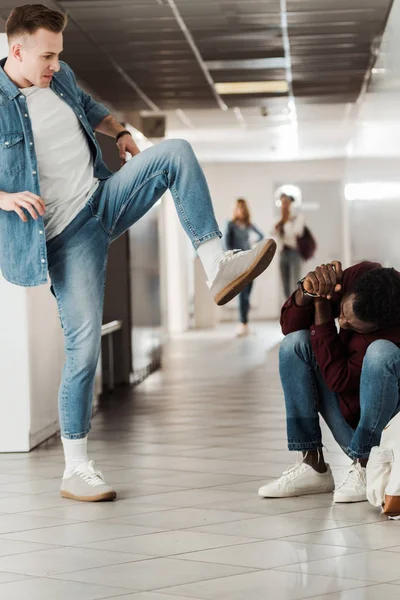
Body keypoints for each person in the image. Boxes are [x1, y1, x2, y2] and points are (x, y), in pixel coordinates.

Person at [0, 4, 277, 502]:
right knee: (83, 351)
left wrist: (123, 133)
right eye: (47, 56)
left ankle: (216, 264)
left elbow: (88, 107)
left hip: (103, 198)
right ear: (16, 50)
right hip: (66, 237)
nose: (56, 66)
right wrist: (2, 198)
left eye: (60, 55)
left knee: (175, 152)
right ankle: (76, 468)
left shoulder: (60, 77)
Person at [258, 260, 400, 503]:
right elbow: (288, 326)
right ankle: (313, 466)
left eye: (352, 325)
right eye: (343, 313)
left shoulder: (392, 332)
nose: (342, 322)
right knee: (295, 344)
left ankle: (366, 464)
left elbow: (338, 379)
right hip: (347, 421)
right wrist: (309, 291)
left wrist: (322, 308)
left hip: (384, 442)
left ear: (376, 327)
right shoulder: (359, 276)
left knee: (380, 353)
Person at [224, 198, 264, 337]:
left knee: (248, 294)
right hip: (237, 262)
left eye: (243, 207)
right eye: (238, 207)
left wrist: (253, 243)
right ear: (235, 209)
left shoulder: (248, 224)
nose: (241, 210)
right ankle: (242, 324)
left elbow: (261, 235)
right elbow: (226, 244)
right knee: (242, 295)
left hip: (249, 261)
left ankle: (245, 324)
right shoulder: (230, 225)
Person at [274, 193, 305, 299]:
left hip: (294, 252)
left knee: (296, 283)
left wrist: (286, 222)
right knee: (285, 285)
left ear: (291, 204)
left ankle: (298, 308)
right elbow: (272, 232)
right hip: (282, 253)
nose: (284, 205)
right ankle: (288, 310)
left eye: (286, 202)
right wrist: (281, 222)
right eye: (282, 203)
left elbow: (297, 233)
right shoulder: (279, 218)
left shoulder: (297, 217)